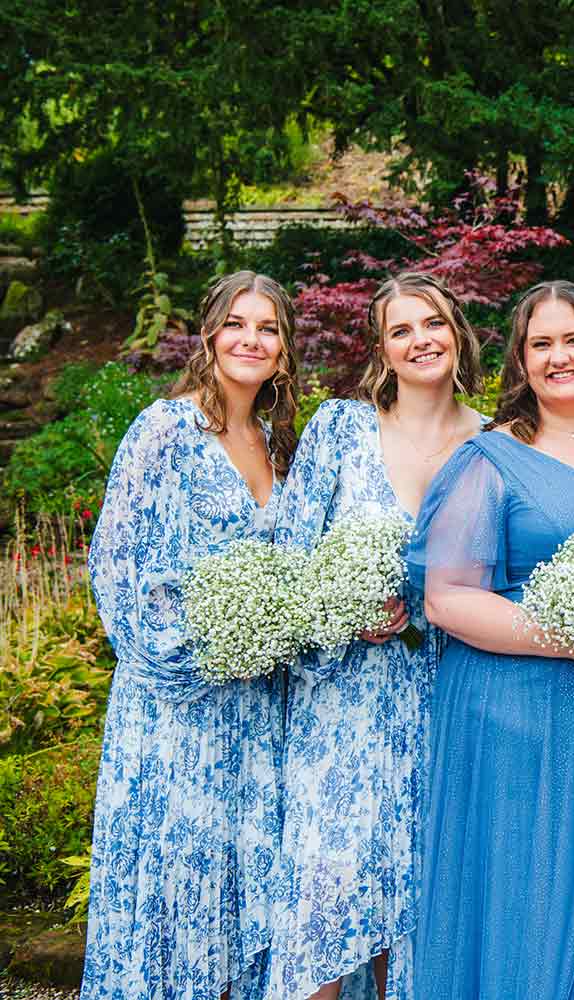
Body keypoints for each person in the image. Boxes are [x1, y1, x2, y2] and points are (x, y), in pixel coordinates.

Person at [406, 280, 574, 1000]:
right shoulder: (489, 460)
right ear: (520, 361)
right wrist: (565, 638)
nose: (560, 357)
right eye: (541, 344)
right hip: (525, 715)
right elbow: (446, 597)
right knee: (535, 896)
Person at [83, 270, 300, 1000]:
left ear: (284, 348)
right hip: (175, 709)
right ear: (209, 334)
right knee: (179, 882)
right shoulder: (163, 428)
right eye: (237, 323)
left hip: (261, 708)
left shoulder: (277, 441)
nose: (252, 339)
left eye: (268, 328)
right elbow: (114, 566)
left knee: (250, 887)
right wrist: (194, 653)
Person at [270, 273, 487, 1000]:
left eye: (433, 324)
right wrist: (342, 613)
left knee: (418, 906)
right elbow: (288, 563)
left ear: (457, 333)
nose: (421, 340)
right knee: (325, 906)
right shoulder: (341, 428)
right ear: (382, 351)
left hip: (445, 700)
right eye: (402, 330)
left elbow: (499, 578)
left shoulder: (493, 444)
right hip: (343, 707)